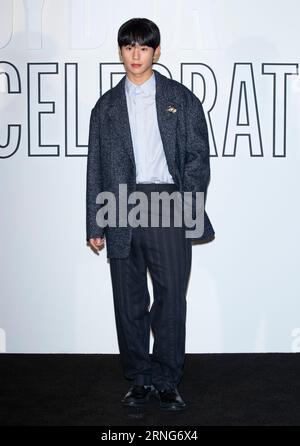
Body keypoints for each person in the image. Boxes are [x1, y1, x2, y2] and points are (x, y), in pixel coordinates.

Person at [86, 17, 215, 412]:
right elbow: (96, 168)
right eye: (128, 47)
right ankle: (140, 380)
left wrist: (187, 208)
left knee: (171, 299)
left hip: (167, 204)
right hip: (121, 205)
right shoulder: (105, 106)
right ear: (120, 52)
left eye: (143, 47)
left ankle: (167, 380)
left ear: (156, 52)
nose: (135, 55)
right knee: (128, 302)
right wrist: (95, 221)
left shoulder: (182, 98)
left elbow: (197, 158)